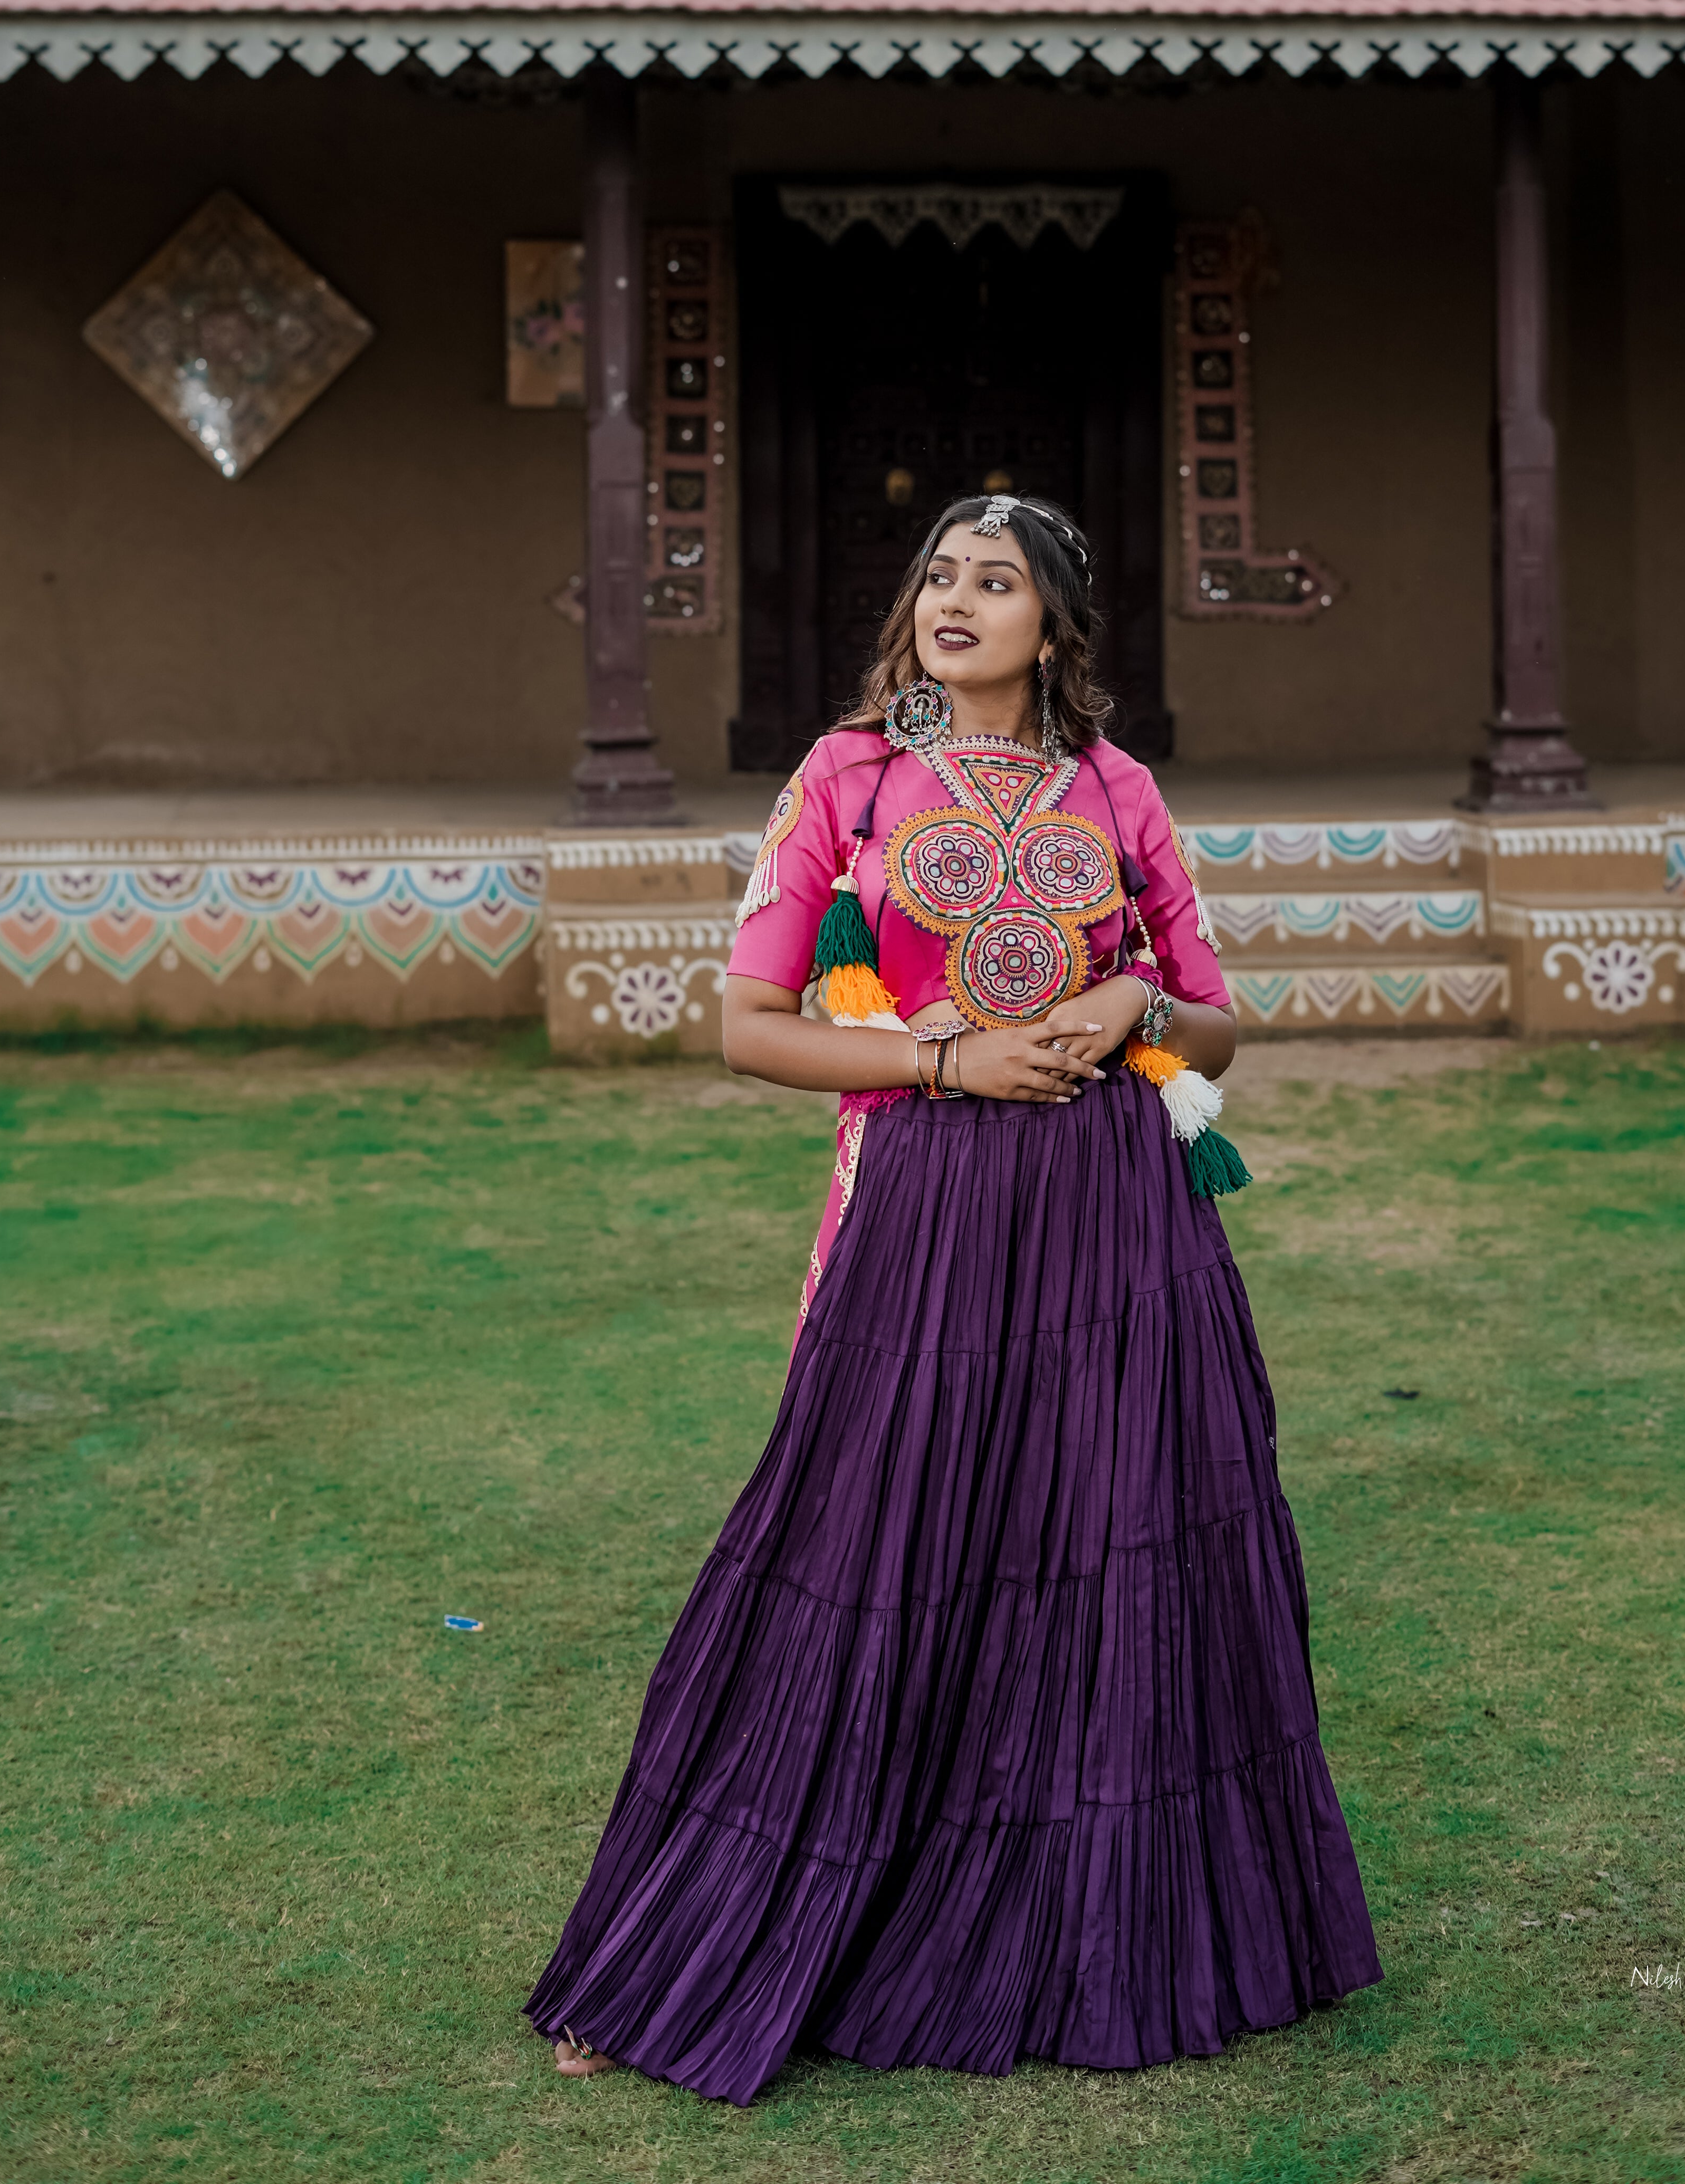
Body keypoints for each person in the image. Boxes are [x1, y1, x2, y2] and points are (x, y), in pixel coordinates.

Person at [527, 493, 1380, 2102]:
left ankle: (1100, 1933)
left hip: (1120, 1220)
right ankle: (743, 1933)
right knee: (866, 1548)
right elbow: (752, 1029)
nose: (957, 600)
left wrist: (1135, 993)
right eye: (938, 575)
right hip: (927, 1212)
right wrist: (947, 1058)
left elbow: (1219, 1029)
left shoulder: (1119, 788)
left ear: (1053, 628)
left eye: (998, 583)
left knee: (1106, 1545)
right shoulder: (848, 778)